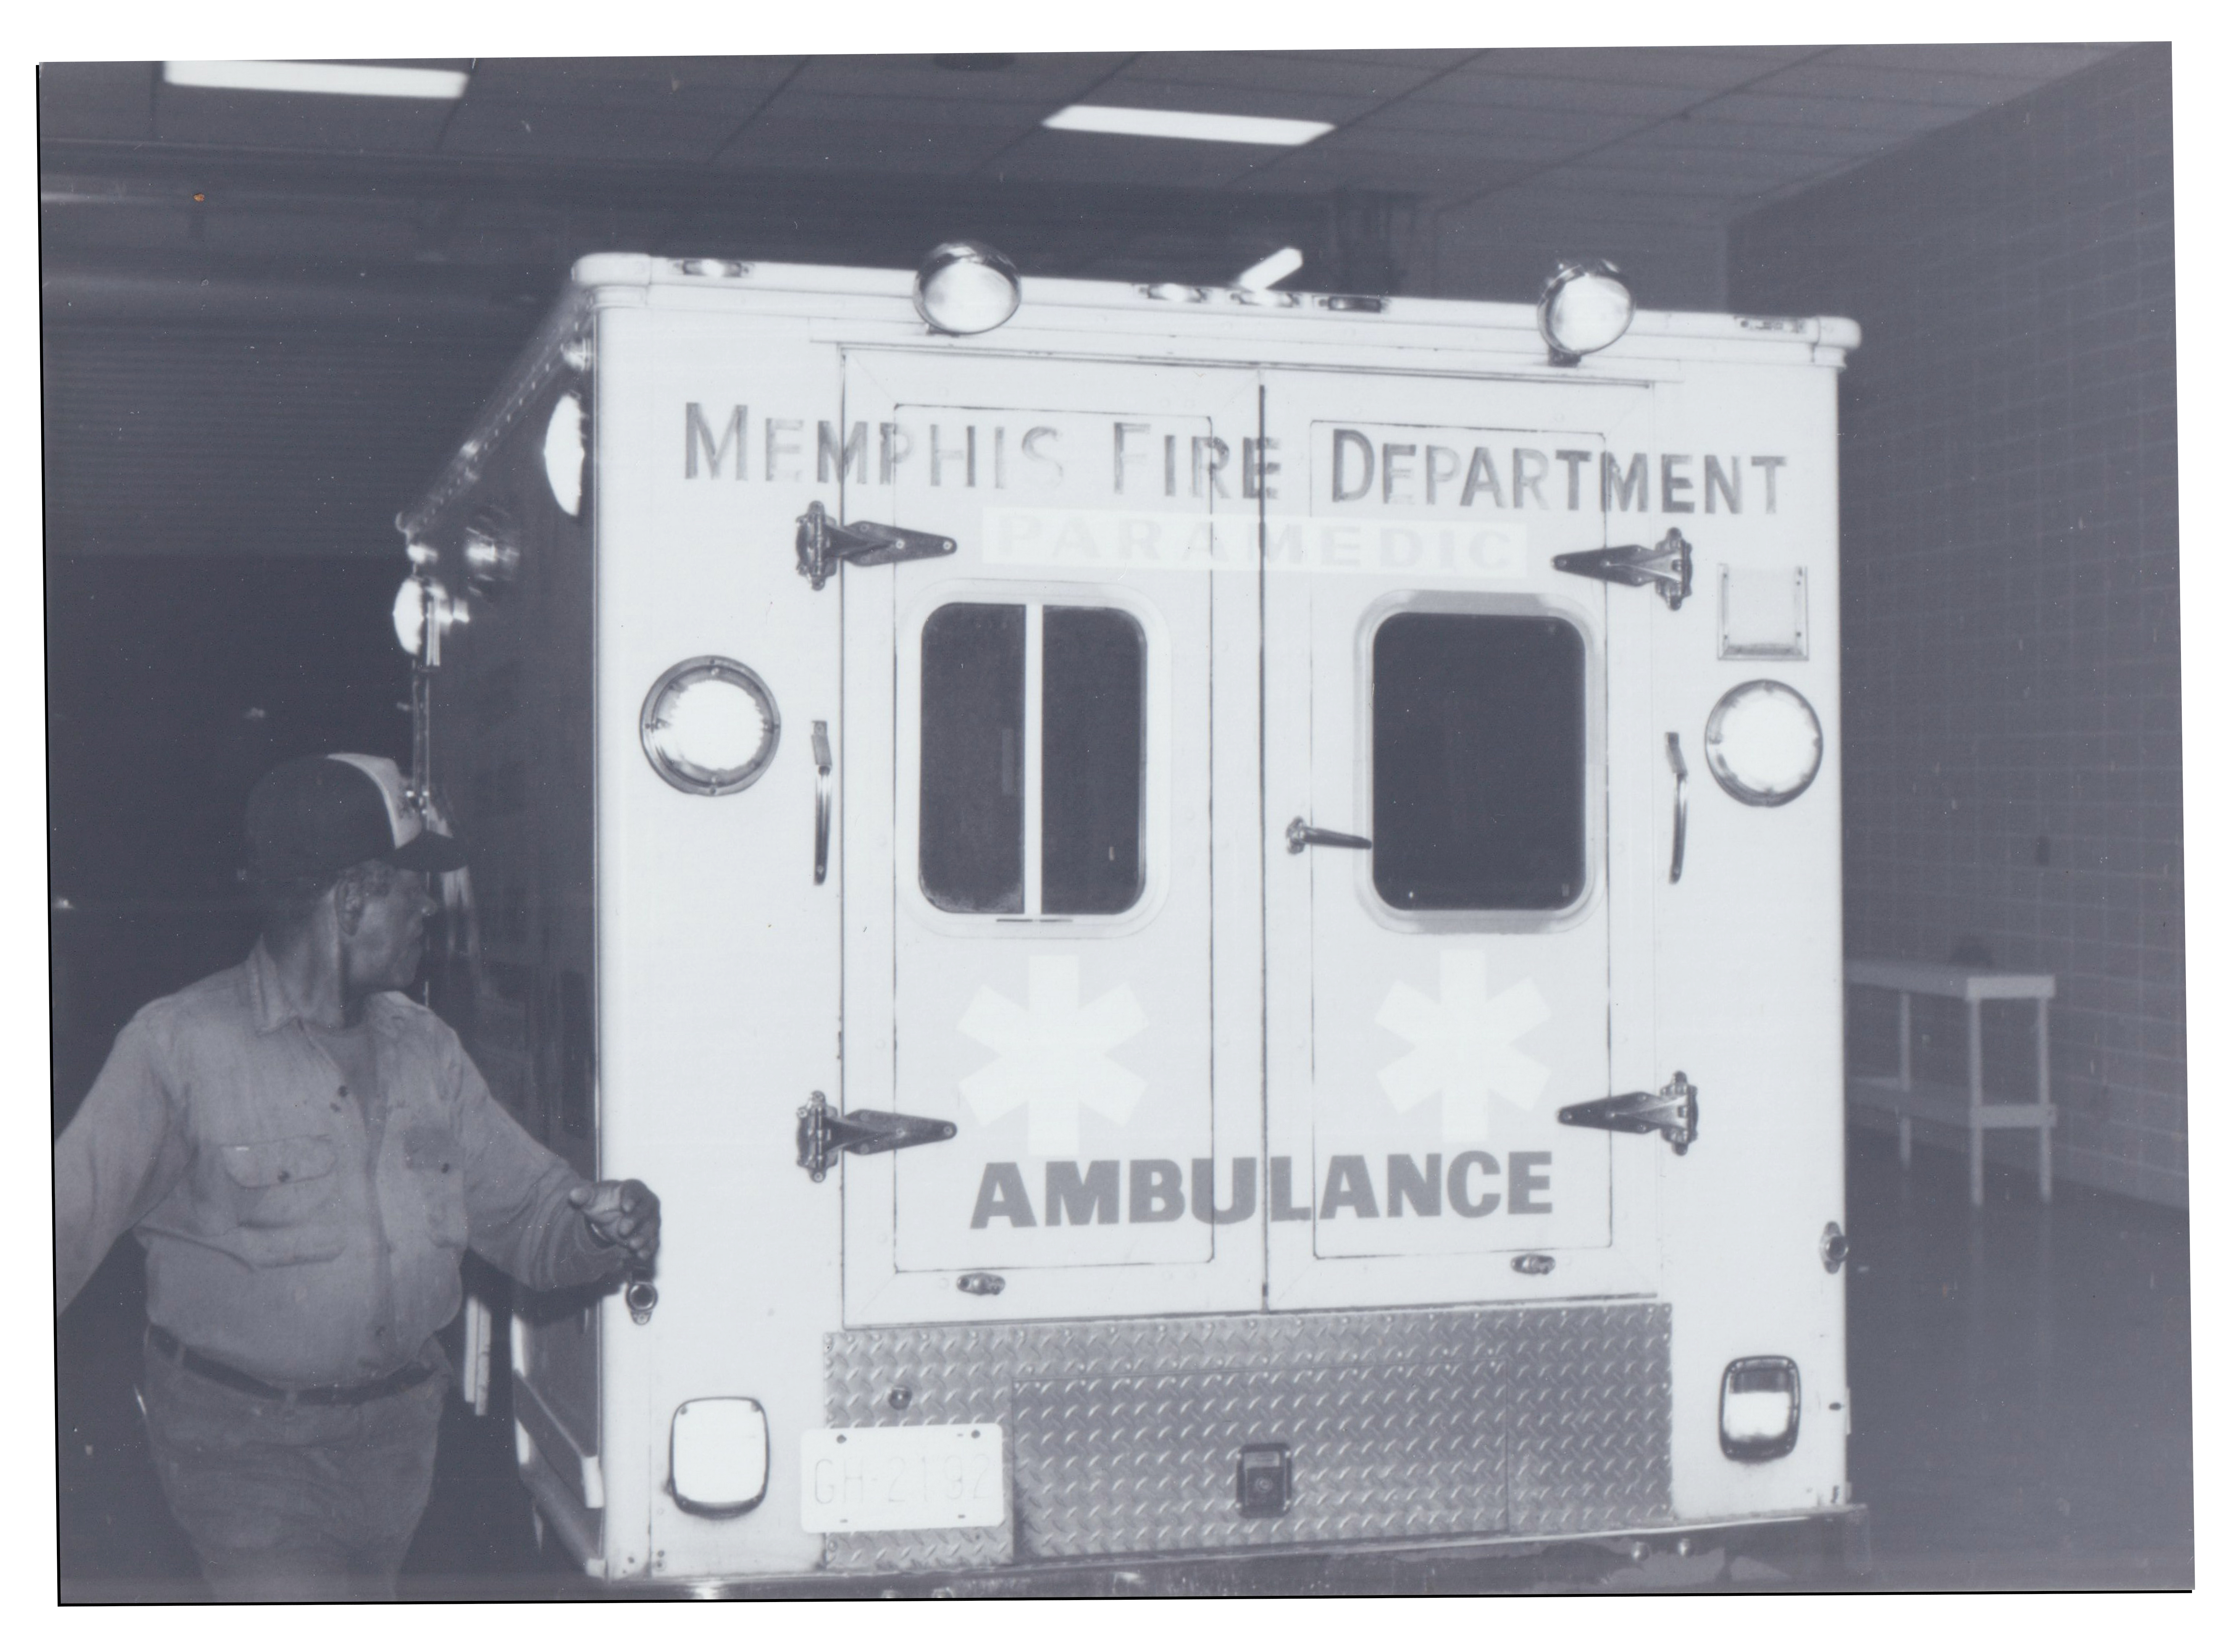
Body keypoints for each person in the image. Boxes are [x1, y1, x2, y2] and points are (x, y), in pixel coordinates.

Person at [53, 752, 661, 1601]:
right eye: (412, 887)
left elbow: (527, 1215)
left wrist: (601, 1228)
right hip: (246, 1452)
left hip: (397, 1451)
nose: (428, 910)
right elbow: (55, 1230)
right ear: (349, 901)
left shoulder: (427, 1049)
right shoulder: (177, 1048)